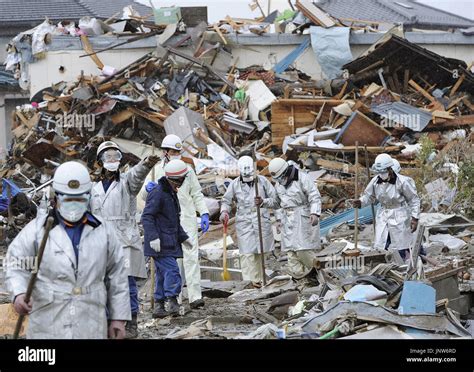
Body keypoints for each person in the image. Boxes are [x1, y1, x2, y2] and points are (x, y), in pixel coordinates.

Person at [6, 161, 130, 339]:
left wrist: (118, 318)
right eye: (69, 199)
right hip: (48, 320)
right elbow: (16, 264)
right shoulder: (37, 231)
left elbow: (117, 275)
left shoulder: (104, 231)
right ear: (56, 199)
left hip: (91, 320)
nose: (75, 204)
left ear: (88, 198)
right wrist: (19, 293)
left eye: (80, 199)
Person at [90, 141, 159, 338]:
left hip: (124, 241)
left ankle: (131, 323)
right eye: (107, 157)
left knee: (126, 285)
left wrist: (146, 164)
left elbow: (137, 176)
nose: (112, 160)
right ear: (100, 161)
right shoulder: (93, 188)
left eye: (116, 156)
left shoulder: (126, 183)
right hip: (101, 243)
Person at [140, 135, 209, 309]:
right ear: (165, 152)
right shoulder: (156, 171)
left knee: (191, 257)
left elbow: (197, 193)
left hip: (186, 218)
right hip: (167, 223)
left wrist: (205, 213)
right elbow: (143, 195)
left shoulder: (187, 170)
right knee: (173, 261)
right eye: (173, 151)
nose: (177, 154)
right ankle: (174, 298)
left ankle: (195, 296)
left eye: (179, 151)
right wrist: (147, 189)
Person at [256, 158, 322, 279]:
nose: (280, 180)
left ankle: (319, 274)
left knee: (303, 250)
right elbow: (276, 202)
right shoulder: (279, 184)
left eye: (280, 177)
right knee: (291, 253)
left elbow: (314, 196)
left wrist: (315, 213)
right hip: (288, 219)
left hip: (302, 216)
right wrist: (263, 202)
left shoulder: (302, 178)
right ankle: (303, 280)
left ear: (286, 171)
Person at [141, 159, 191, 318]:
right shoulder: (158, 193)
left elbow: (173, 221)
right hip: (160, 244)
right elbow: (147, 216)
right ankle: (173, 302)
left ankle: (159, 306)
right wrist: (153, 237)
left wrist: (183, 238)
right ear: (178, 178)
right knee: (172, 271)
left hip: (169, 242)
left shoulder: (170, 193)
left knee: (162, 275)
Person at [219, 156, 276, 287]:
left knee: (260, 252)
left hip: (261, 218)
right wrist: (224, 211)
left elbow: (275, 200)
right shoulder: (234, 184)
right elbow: (226, 200)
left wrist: (264, 202)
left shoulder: (262, 182)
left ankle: (260, 280)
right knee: (247, 253)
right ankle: (249, 282)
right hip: (244, 222)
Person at [351, 154, 420, 260]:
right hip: (383, 214)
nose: (381, 174)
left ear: (390, 169)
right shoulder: (375, 181)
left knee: (401, 243)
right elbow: (369, 197)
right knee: (381, 242)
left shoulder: (403, 182)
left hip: (399, 213)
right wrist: (360, 202)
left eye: (384, 171)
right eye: (380, 172)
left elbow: (413, 200)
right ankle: (383, 263)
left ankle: (405, 263)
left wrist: (415, 218)